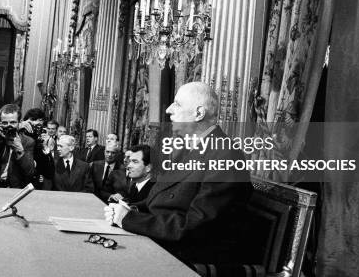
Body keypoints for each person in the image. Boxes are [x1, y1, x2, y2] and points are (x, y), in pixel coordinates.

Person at [105, 82, 252, 267]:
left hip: (188, 256)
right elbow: (161, 198)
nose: (168, 110)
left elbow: (196, 227)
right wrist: (130, 209)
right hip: (164, 242)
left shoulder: (225, 155)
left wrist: (130, 219)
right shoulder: (190, 147)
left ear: (198, 113)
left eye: (177, 104)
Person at [0, 104, 35, 188]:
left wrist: (19, 149)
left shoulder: (27, 141)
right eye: (5, 123)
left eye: (13, 122)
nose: (9, 126)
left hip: (14, 188)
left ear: (20, 122)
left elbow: (29, 171)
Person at [90, 137, 122, 201]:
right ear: (104, 152)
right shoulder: (94, 165)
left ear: (118, 154)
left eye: (113, 153)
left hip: (112, 203)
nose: (109, 155)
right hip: (93, 199)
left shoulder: (122, 169)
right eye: (107, 152)